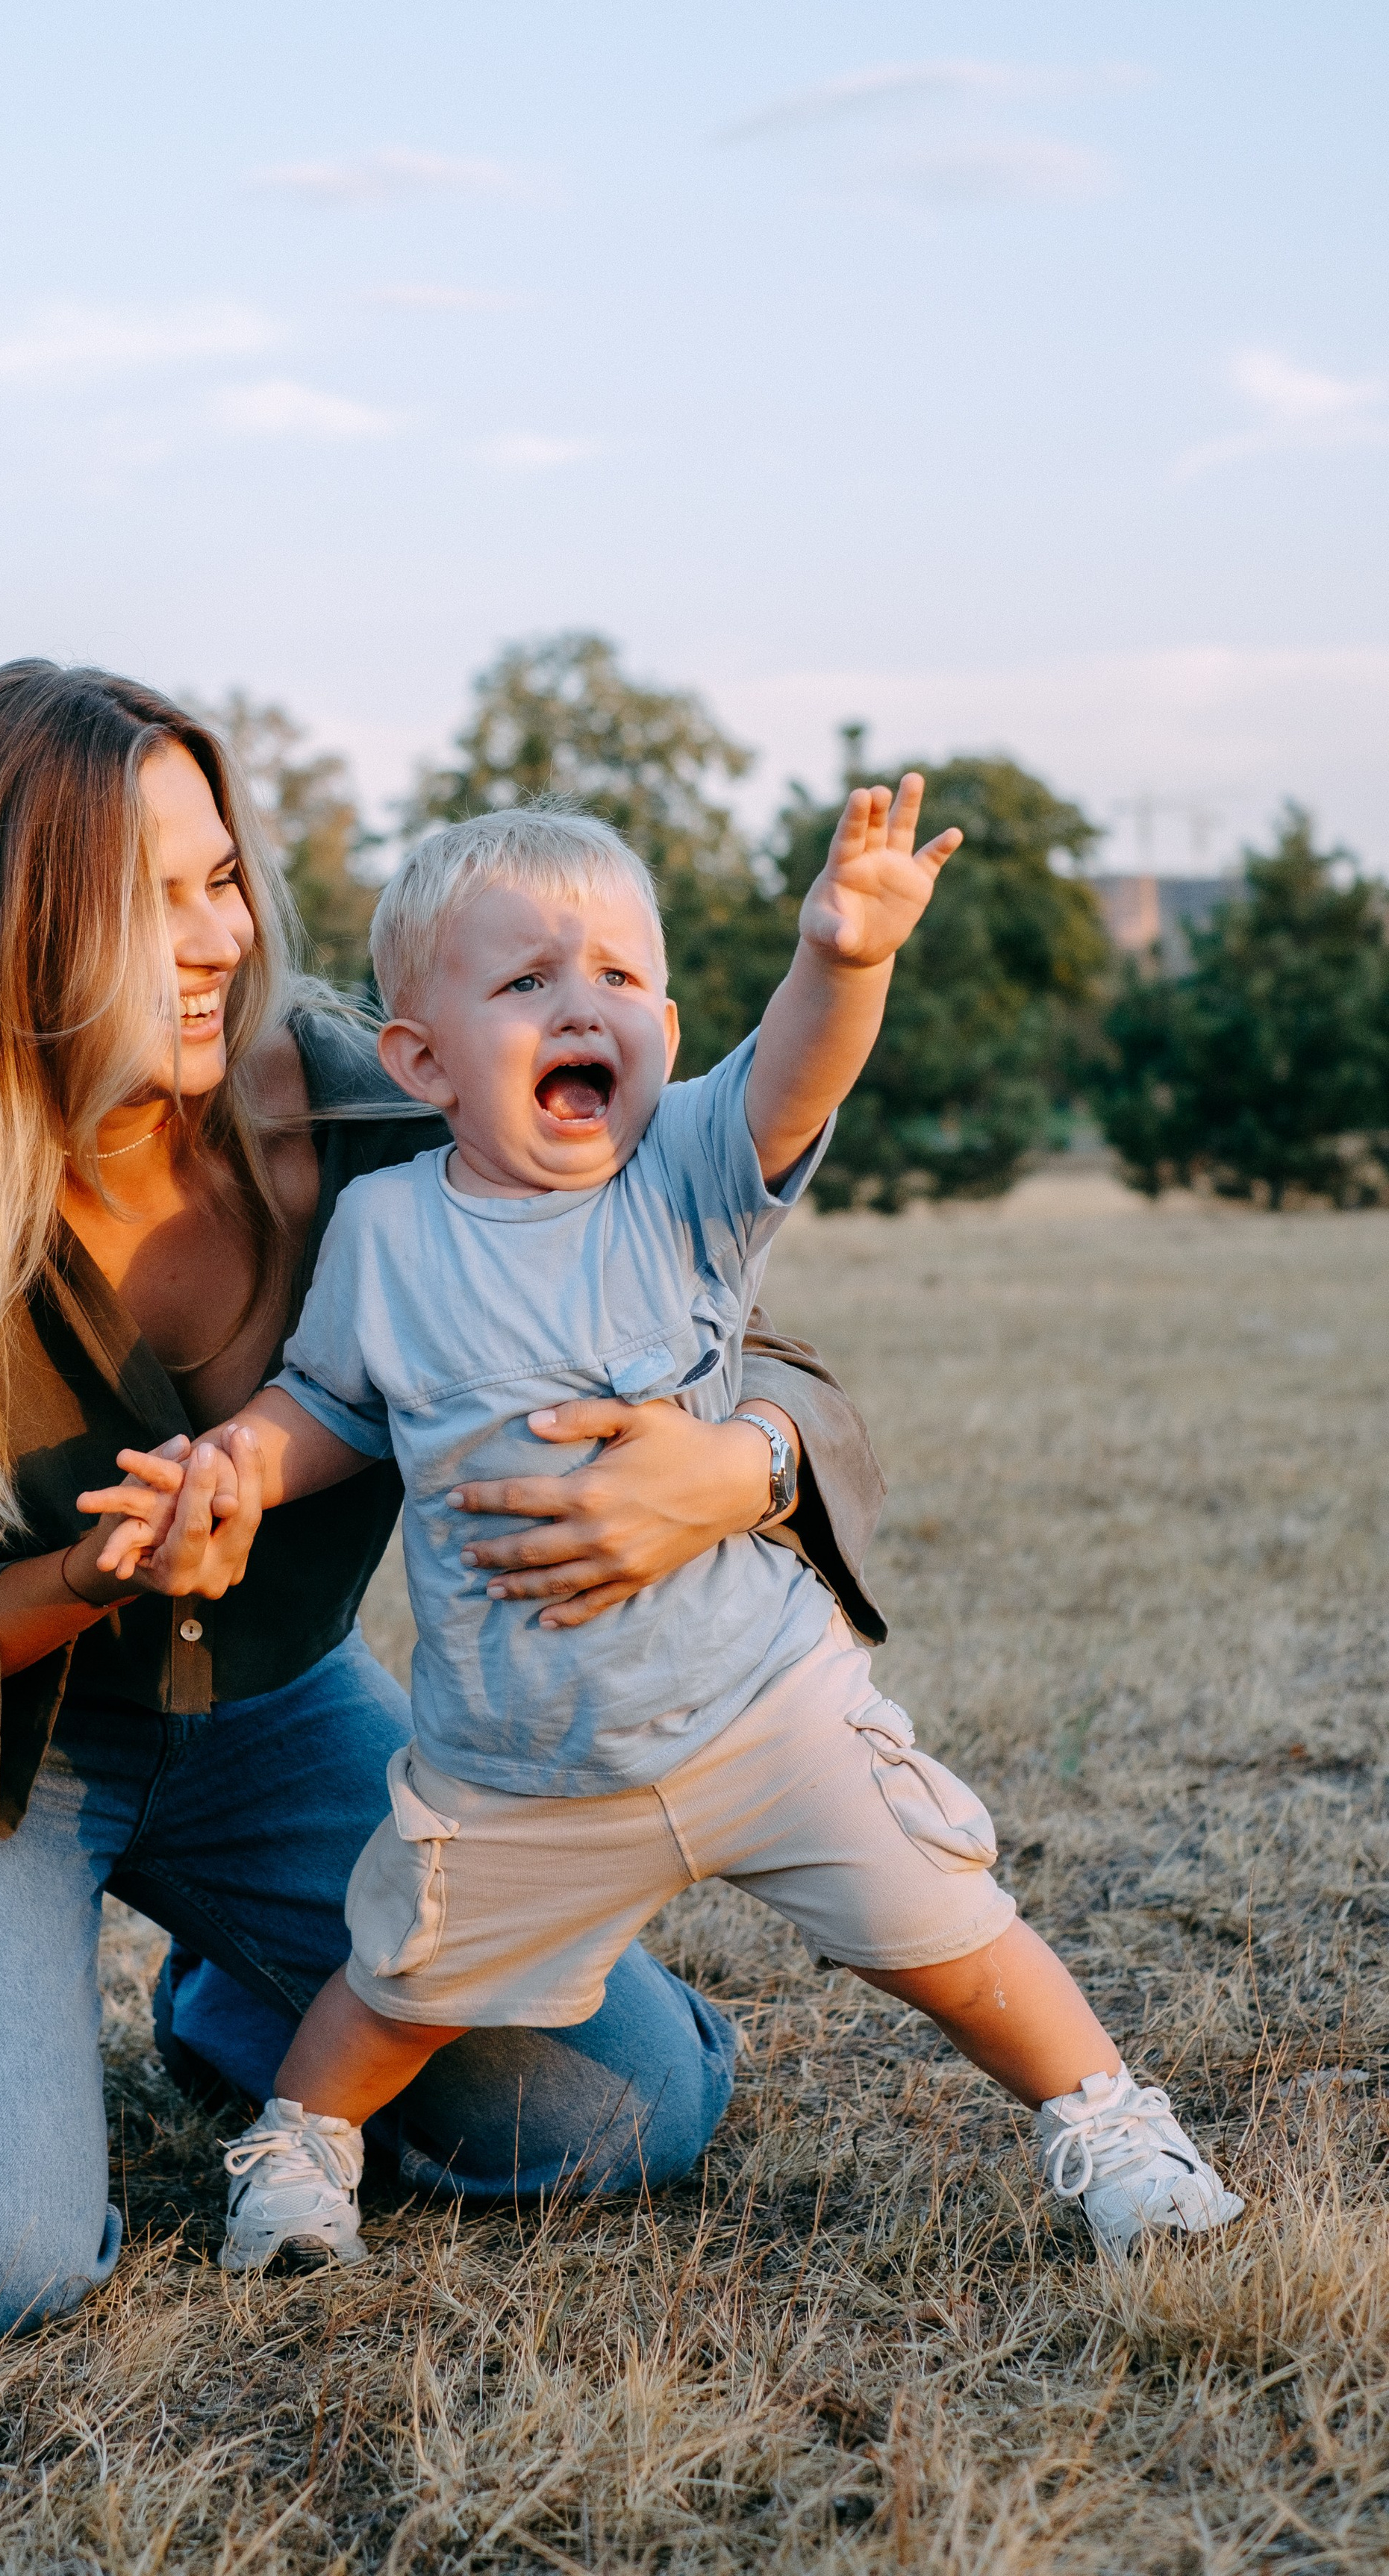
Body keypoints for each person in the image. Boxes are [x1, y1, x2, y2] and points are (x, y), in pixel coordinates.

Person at [0, 661, 888, 2342]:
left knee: (624, 2115)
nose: (218, 938)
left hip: (266, 1706)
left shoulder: (393, 1109)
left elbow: (742, 1336)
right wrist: (103, 1575)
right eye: (146, 904)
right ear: (2, 935)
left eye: (219, 878)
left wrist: (732, 1466)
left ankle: (233, 2003)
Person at [96, 795, 1245, 2272]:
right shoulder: (388, 1233)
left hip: (760, 1706)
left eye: (618, 979)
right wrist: (236, 1465)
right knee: (401, 1977)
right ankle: (299, 2148)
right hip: (519, 1761)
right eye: (525, 983)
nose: (584, 1003)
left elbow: (789, 1072)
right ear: (420, 1060)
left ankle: (1104, 2120)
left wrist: (842, 957)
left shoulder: (685, 1174)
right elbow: (329, 1396)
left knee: (947, 1926)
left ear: (664, 1022)